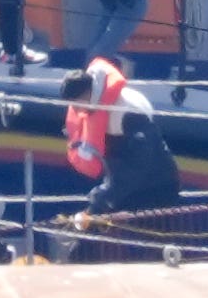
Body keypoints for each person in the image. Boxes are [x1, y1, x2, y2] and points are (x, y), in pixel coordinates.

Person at [61, 55, 180, 218]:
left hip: (154, 189)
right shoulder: (97, 109)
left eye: (79, 103)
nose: (78, 111)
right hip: (124, 191)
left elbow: (138, 164)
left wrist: (102, 199)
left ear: (89, 92)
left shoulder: (128, 112)